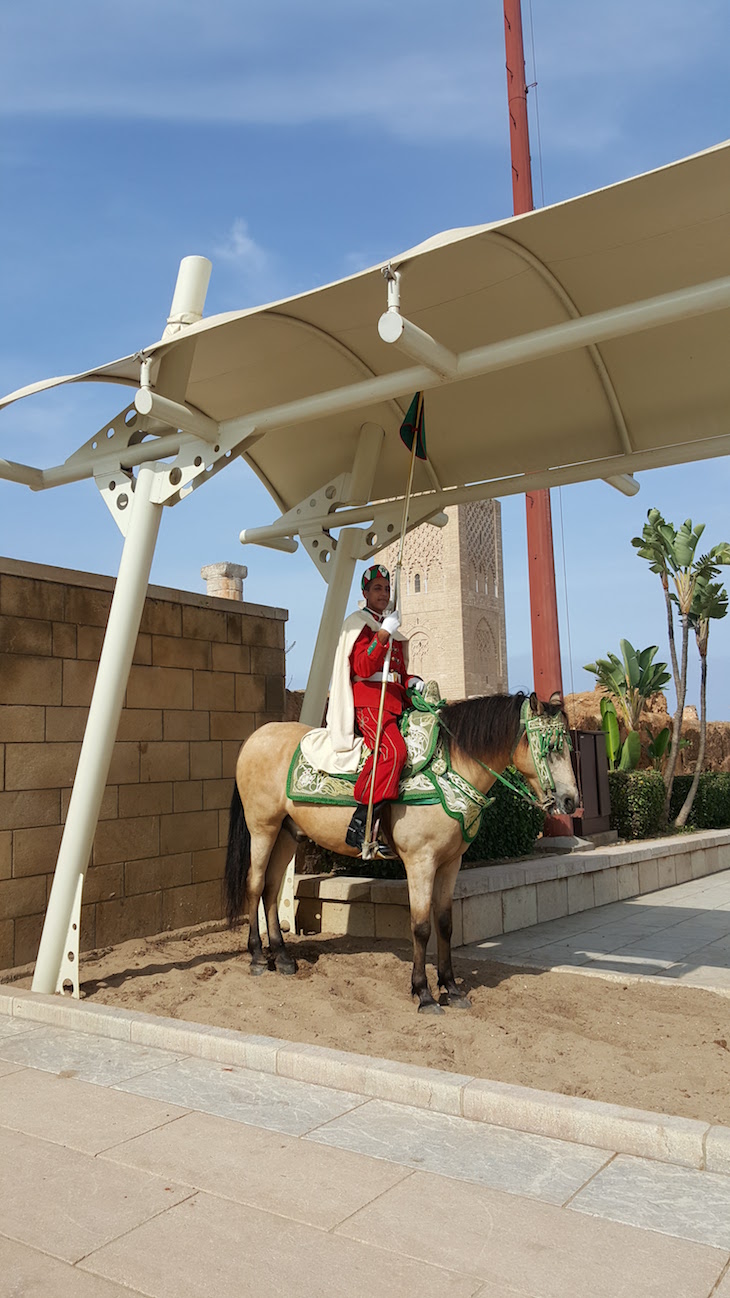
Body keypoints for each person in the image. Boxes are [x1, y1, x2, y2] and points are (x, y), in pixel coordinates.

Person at [344, 564, 424, 854]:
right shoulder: (361, 624)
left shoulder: (387, 624)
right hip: (370, 703)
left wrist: (411, 681)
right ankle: (360, 822)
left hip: (393, 701)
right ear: (365, 593)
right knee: (393, 752)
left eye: (387, 588)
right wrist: (383, 635)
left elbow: (395, 672)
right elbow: (363, 667)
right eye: (377, 588)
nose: (383, 593)